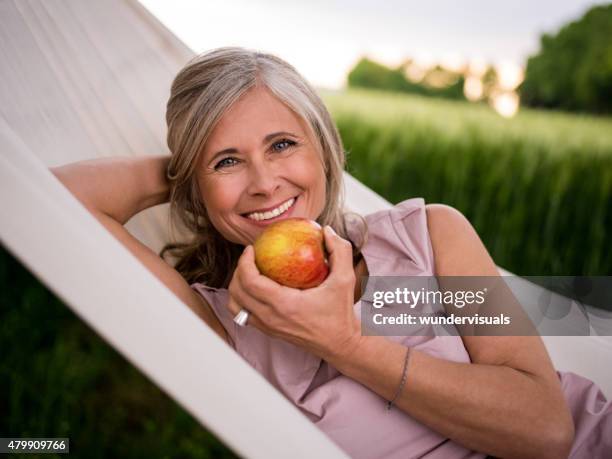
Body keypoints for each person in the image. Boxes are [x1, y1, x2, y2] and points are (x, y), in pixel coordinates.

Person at [51, 47, 611, 458]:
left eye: (283, 145)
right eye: (228, 161)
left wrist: (345, 345)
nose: (265, 183)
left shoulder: (428, 239)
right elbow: (49, 198)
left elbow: (546, 430)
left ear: (324, 148)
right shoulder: (220, 325)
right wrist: (190, 172)